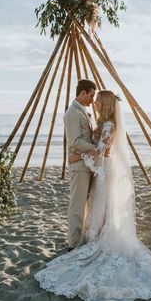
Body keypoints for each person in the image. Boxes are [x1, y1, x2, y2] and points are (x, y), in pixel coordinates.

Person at [34, 90, 151, 301]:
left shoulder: (108, 125)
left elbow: (101, 149)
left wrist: (77, 155)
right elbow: (100, 149)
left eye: (98, 99)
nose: (95, 102)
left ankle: (100, 235)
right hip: (102, 168)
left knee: (103, 201)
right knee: (99, 202)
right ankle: (98, 233)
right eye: (94, 98)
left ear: (105, 103)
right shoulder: (104, 122)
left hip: (105, 168)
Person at [63, 79, 96, 250]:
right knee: (77, 206)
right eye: (91, 95)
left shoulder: (82, 111)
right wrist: (97, 149)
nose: (92, 99)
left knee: (85, 204)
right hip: (79, 167)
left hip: (85, 164)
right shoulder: (72, 113)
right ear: (82, 93)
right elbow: (75, 141)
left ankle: (80, 238)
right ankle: (73, 243)